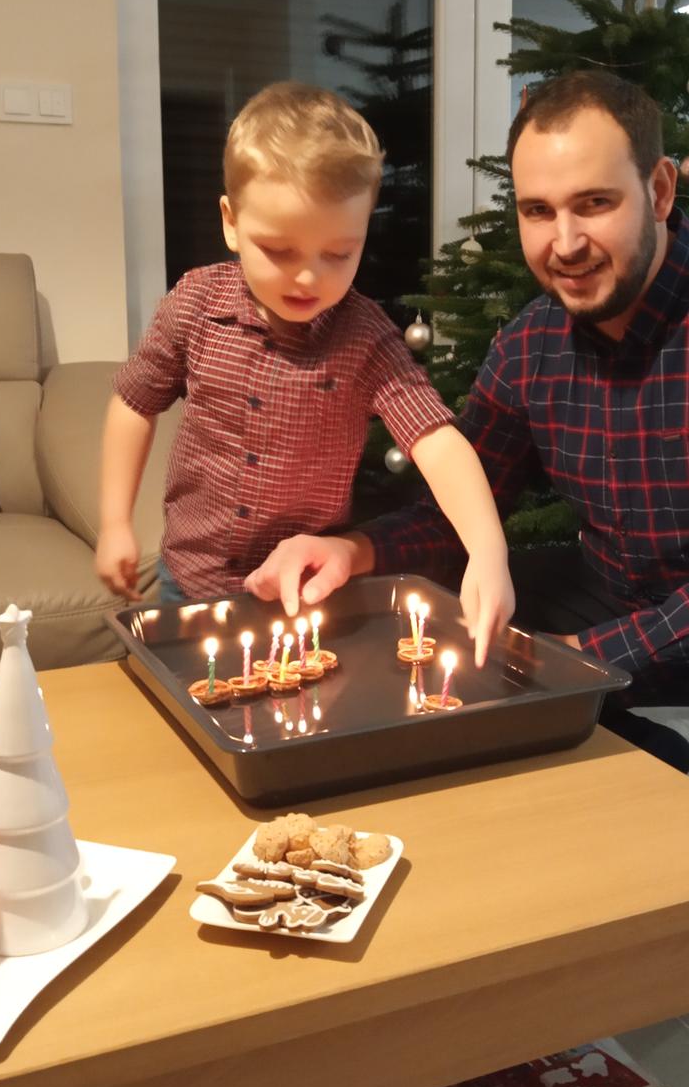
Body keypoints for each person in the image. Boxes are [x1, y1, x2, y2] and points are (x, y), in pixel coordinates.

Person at [245, 71, 689, 851]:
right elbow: (460, 514)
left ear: (660, 190)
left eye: (594, 204)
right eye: (538, 211)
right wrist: (352, 550)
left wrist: (593, 658)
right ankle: (634, 768)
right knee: (438, 622)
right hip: (614, 587)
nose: (564, 243)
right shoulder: (531, 345)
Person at [96, 82, 514, 665]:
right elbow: (133, 402)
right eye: (279, 250)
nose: (309, 278)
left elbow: (436, 440)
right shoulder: (195, 303)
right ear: (231, 222)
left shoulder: (366, 337)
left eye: (339, 254)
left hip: (304, 590)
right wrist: (115, 520)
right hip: (189, 581)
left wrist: (488, 551)